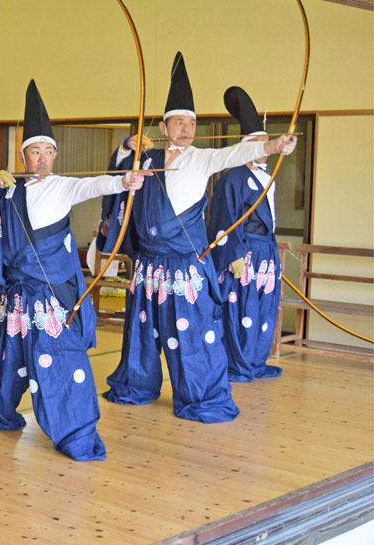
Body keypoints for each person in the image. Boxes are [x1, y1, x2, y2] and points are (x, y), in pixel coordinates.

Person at [0, 81, 147, 460]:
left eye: (48, 152)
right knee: (12, 357)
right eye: (34, 151)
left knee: (60, 359)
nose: (41, 159)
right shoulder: (9, 190)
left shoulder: (64, 186)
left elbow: (95, 185)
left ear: (56, 156)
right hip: (18, 293)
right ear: (23, 156)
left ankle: (75, 430)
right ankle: (1, 412)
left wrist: (126, 179)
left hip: (51, 293)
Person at [99, 53, 297, 422]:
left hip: (183, 265)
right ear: (164, 125)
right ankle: (137, 385)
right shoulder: (147, 159)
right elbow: (117, 177)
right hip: (148, 264)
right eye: (180, 122)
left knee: (192, 334)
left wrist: (272, 147)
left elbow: (238, 152)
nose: (188, 128)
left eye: (192, 122)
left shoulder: (201, 159)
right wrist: (127, 148)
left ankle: (201, 394)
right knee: (142, 333)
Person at [207, 86, 283, 381]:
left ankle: (255, 361)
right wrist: (233, 254)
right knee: (242, 309)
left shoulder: (269, 177)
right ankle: (238, 362)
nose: (266, 151)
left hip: (265, 251)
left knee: (264, 309)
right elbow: (223, 219)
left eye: (268, 144)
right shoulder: (233, 178)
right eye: (260, 145)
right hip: (243, 252)